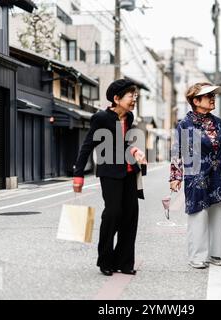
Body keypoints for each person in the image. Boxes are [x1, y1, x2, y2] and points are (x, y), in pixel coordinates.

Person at [72, 79, 147, 276]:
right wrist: (78, 175)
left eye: (135, 96)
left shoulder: (129, 117)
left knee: (130, 216)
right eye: (131, 96)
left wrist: (135, 151)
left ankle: (124, 262)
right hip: (110, 173)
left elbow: (123, 144)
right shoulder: (101, 118)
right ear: (117, 98)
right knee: (113, 213)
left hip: (130, 172)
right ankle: (105, 260)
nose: (134, 100)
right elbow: (87, 145)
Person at [169, 82, 221, 269]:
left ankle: (215, 254)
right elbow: (178, 151)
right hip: (196, 176)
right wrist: (176, 176)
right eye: (208, 95)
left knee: (217, 213)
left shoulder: (218, 122)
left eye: (213, 95)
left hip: (217, 173)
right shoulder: (185, 124)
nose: (212, 98)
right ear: (195, 100)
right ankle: (197, 256)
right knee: (198, 214)